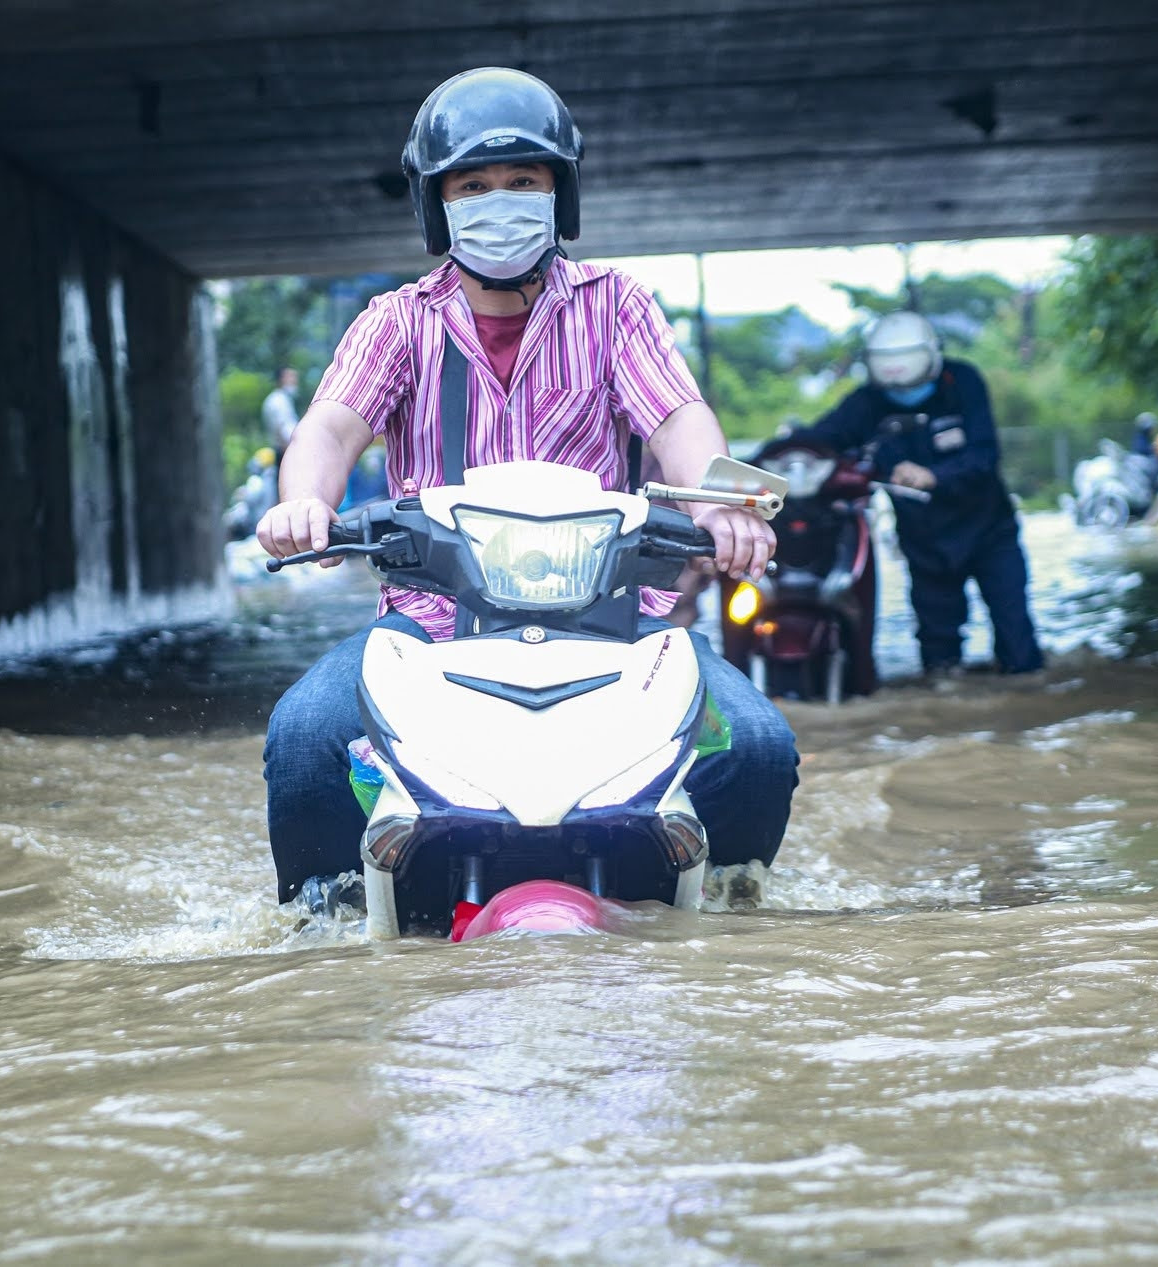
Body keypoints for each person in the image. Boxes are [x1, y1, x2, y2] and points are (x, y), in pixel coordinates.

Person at [255, 67, 799, 903]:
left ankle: (723, 900)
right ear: (438, 204)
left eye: (522, 180)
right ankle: (325, 920)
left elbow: (681, 423)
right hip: (428, 626)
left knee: (759, 748)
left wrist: (721, 502)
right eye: (473, 184)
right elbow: (328, 427)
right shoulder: (396, 322)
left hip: (619, 623)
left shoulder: (616, 306)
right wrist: (305, 502)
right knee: (301, 738)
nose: (498, 200)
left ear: (560, 194)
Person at [800, 311, 1043, 676]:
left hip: (989, 532)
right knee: (938, 652)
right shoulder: (865, 404)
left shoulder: (963, 382)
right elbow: (817, 440)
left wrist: (933, 476)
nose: (903, 395)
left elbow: (985, 455)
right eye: (894, 390)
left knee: (1017, 642)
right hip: (925, 543)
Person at [262, 367, 301, 452]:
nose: (295, 381)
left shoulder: (279, 398)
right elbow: (286, 431)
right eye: (291, 377)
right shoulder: (279, 401)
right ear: (281, 379)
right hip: (285, 451)